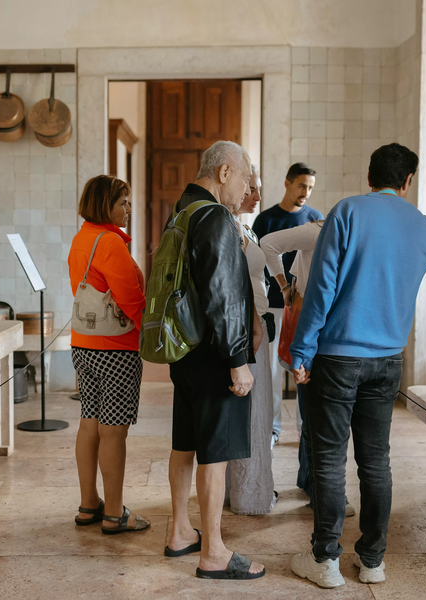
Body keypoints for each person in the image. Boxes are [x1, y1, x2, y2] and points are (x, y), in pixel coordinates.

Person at [288, 143, 426, 588]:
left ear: (369, 175)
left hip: (335, 358)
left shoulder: (346, 212)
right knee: (376, 461)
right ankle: (372, 561)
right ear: (407, 181)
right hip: (387, 362)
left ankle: (326, 562)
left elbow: (322, 287)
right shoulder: (421, 226)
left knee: (330, 460)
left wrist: (301, 352)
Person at [164, 141, 265, 580]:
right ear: (225, 172)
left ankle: (180, 531)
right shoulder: (216, 217)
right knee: (215, 454)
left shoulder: (180, 211)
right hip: (213, 355)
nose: (245, 190)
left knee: (184, 442)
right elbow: (222, 295)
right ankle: (214, 552)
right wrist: (237, 360)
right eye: (244, 179)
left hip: (184, 351)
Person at [68, 175, 150, 535]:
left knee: (89, 423)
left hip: (83, 345)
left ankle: (89, 505)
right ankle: (115, 513)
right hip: (115, 351)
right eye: (123, 203)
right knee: (113, 431)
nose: (129, 209)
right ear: (106, 205)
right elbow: (132, 303)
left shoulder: (82, 238)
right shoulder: (111, 244)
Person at [251, 163, 323, 448]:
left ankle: (304, 430)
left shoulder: (316, 219)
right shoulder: (266, 220)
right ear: (288, 183)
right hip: (273, 305)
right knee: (272, 370)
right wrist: (281, 285)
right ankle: (272, 429)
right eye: (302, 186)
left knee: (303, 367)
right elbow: (256, 262)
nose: (306, 192)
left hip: (305, 310)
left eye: (310, 187)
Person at [259, 218, 324, 503]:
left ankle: (308, 478)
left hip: (315, 325)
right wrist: (283, 285)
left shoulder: (337, 229)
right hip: (306, 322)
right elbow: (269, 244)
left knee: (310, 405)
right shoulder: (317, 230)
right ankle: (312, 482)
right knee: (313, 404)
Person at [226, 164, 276, 515]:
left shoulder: (243, 226)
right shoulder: (229, 226)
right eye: (251, 187)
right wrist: (252, 323)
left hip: (255, 321)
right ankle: (251, 496)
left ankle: (240, 491)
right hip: (249, 327)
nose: (257, 195)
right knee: (255, 413)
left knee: (258, 411)